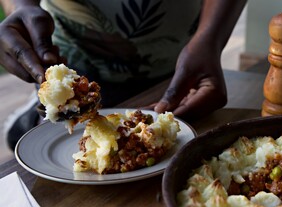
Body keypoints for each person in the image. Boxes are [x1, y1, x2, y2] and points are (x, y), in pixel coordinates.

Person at [0, 0, 247, 150]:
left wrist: (211, 40)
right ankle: (41, 111)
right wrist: (20, 9)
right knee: (51, 141)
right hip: (70, 54)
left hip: (176, 74)